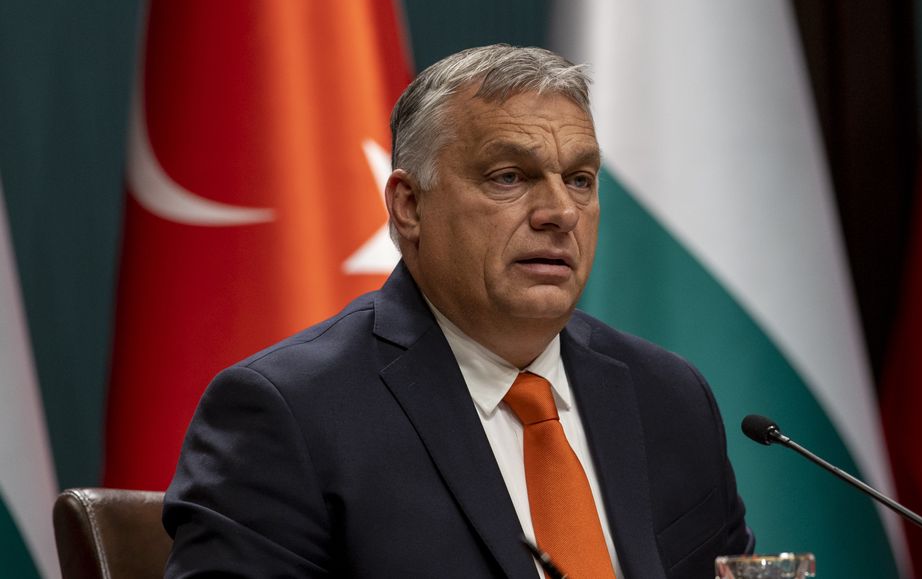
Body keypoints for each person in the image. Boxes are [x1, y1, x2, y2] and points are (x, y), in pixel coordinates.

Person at [163, 44, 753, 578]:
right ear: (409, 205)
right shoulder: (291, 412)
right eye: (509, 177)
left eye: (579, 179)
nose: (560, 212)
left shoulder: (669, 398)